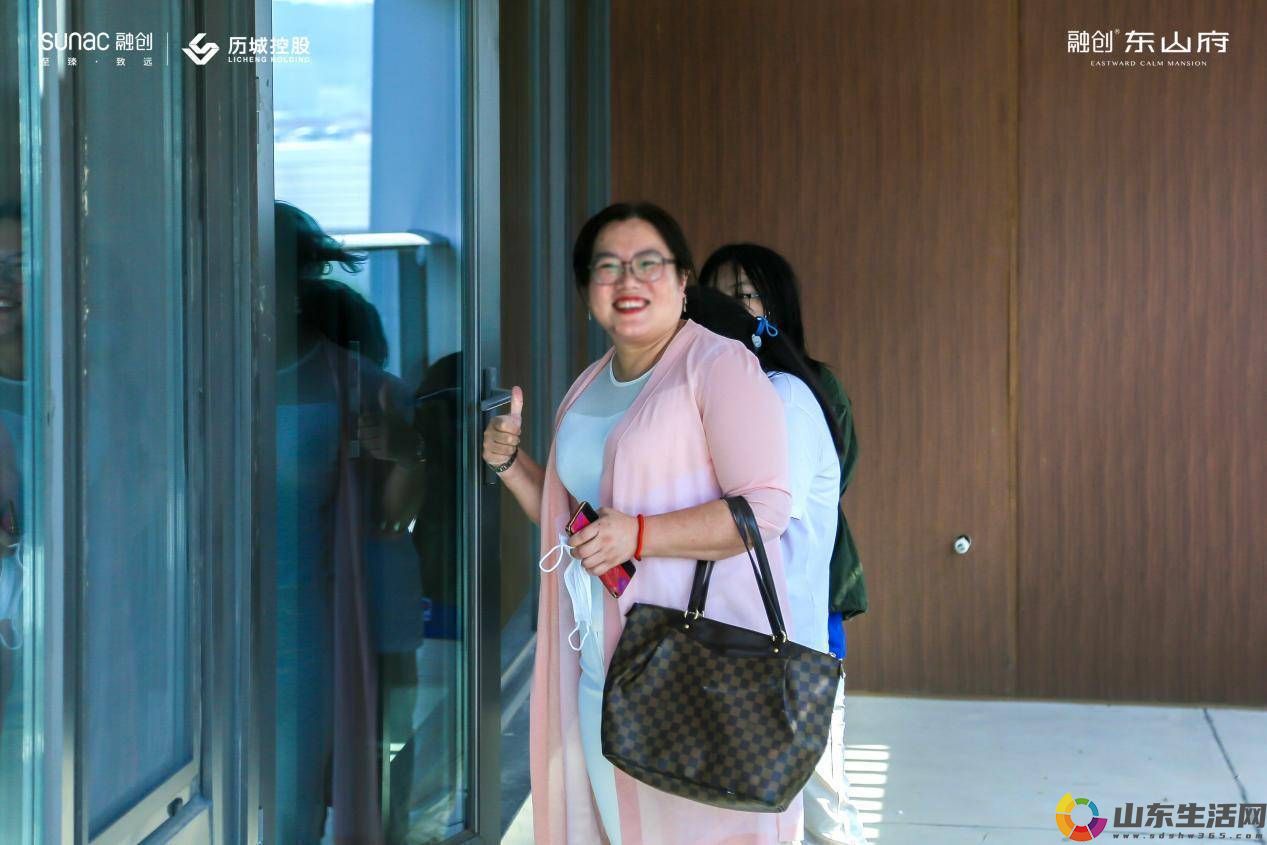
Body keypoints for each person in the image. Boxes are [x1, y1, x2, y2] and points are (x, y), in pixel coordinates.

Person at [482, 202, 802, 844]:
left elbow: (765, 507)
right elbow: (575, 523)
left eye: (648, 263)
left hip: (690, 673)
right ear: (587, 294)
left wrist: (639, 535)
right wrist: (512, 464)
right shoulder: (588, 384)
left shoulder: (717, 366)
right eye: (608, 266)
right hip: (601, 668)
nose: (628, 279)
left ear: (683, 282)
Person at [700, 245, 866, 845]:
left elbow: (768, 511)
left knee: (818, 806)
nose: (733, 307)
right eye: (721, 293)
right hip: (739, 632)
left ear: (777, 306)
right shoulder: (716, 389)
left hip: (791, 634)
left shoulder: (793, 393)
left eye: (748, 294)